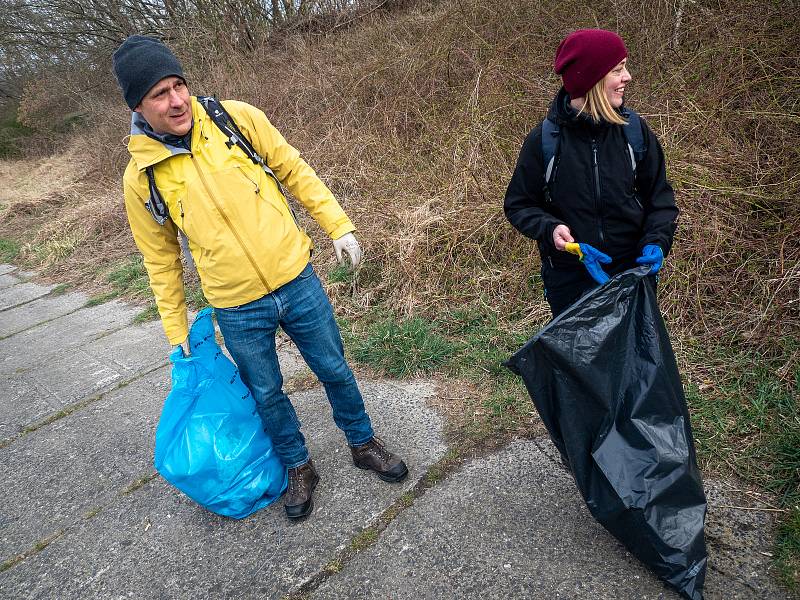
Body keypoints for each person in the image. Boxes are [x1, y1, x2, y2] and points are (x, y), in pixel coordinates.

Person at [112, 35, 408, 520]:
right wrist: (177, 332)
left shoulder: (236, 119)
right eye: (160, 93)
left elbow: (294, 170)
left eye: (179, 85)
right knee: (266, 393)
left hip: (296, 278)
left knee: (334, 368)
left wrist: (338, 226)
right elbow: (160, 260)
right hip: (235, 305)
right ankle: (297, 465)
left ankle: (363, 442)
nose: (178, 100)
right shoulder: (141, 177)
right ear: (140, 107)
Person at [504, 29, 678, 317]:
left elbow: (661, 201)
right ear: (592, 79)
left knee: (631, 360)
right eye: (617, 70)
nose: (628, 77)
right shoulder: (546, 140)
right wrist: (551, 228)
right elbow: (519, 204)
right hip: (569, 278)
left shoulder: (635, 133)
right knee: (578, 360)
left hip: (631, 274)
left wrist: (656, 242)